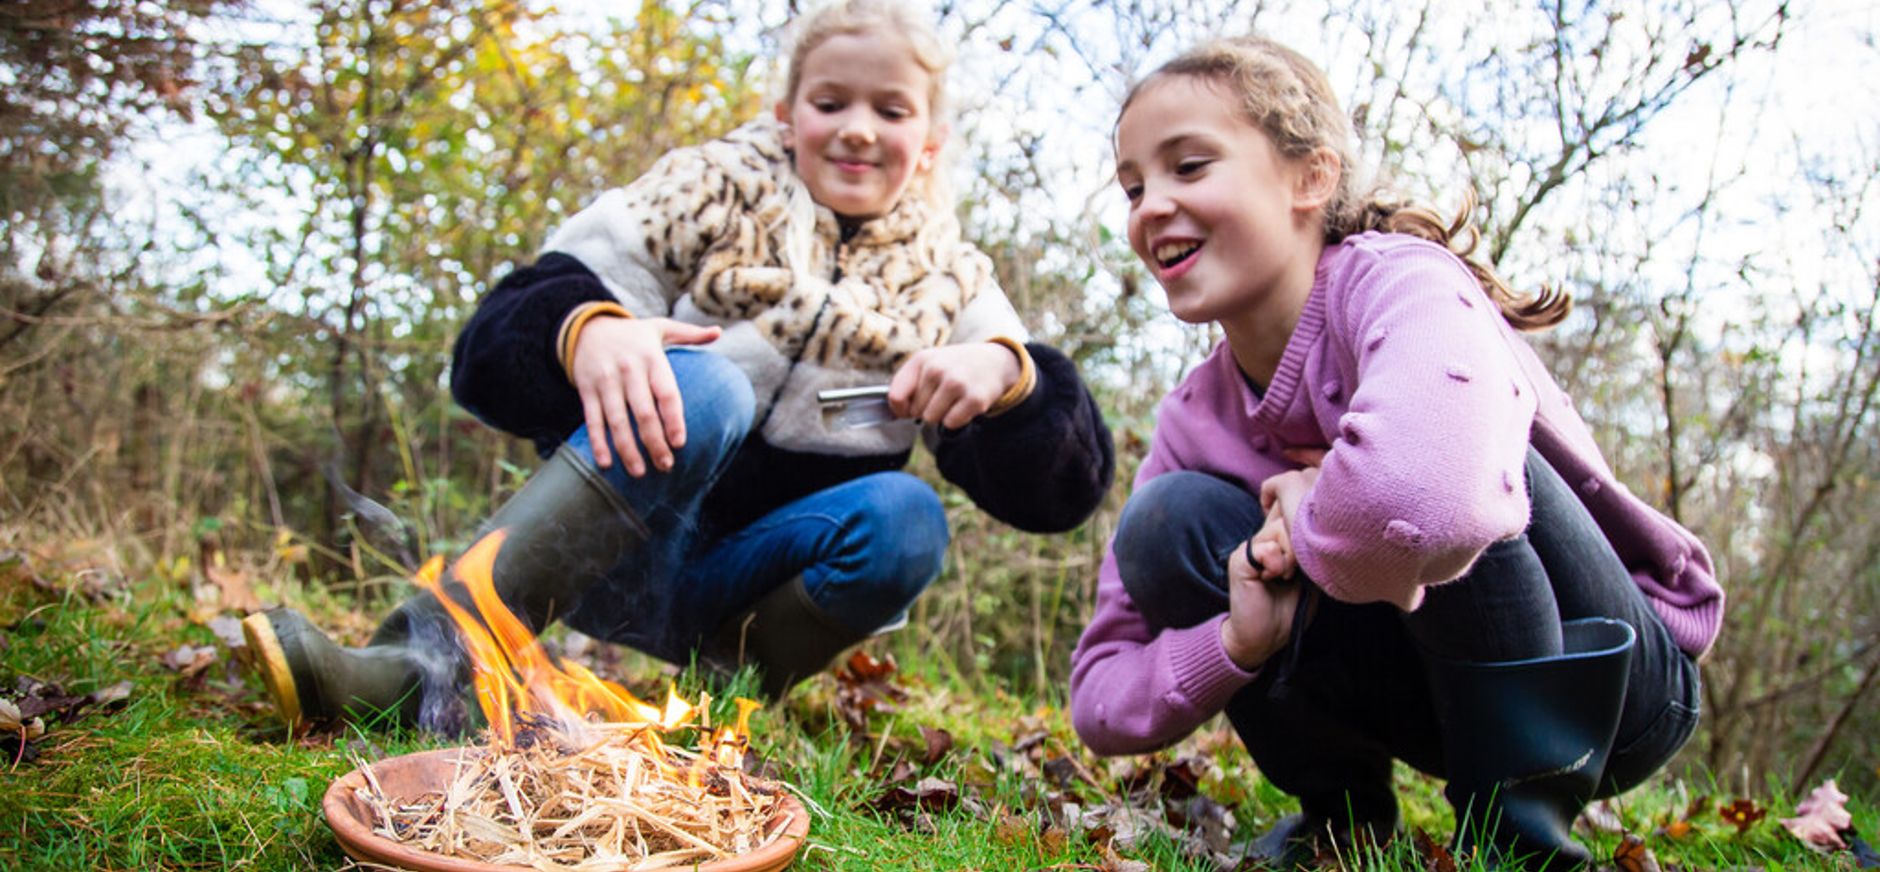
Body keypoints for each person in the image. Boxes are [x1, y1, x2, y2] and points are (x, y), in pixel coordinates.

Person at [243, 0, 1113, 735]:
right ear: (787, 114)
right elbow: (489, 347)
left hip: (748, 586)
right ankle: (422, 663)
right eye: (830, 102)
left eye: (890, 111)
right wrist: (584, 331)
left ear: (928, 142)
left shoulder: (951, 276)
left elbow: (1065, 492)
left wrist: (1008, 374)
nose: (857, 128)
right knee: (710, 382)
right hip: (611, 546)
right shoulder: (706, 190)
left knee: (909, 515)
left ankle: (713, 711)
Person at [1070, 36, 1718, 871]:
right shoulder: (1194, 415)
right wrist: (1237, 641)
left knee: (1457, 453)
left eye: (1189, 167)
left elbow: (1430, 499)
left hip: (1606, 684)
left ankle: (1516, 836)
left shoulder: (1403, 282)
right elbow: (1099, 695)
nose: (1151, 206)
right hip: (1427, 697)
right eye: (1133, 187)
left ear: (1311, 178)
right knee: (1170, 520)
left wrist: (1309, 515)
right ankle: (1344, 822)